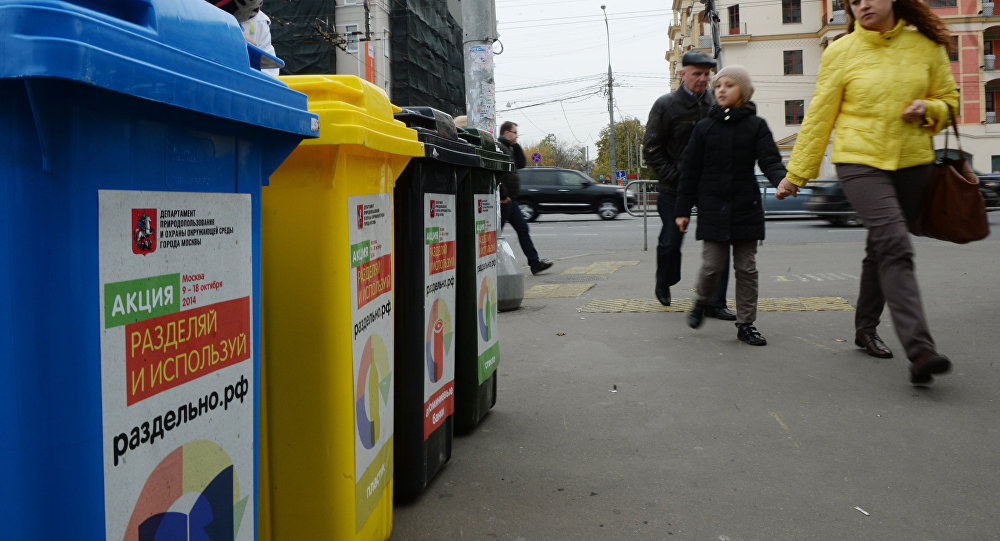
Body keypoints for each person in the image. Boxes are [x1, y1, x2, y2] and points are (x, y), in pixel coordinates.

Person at [774, 0, 958, 383]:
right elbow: (821, 114)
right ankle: (920, 349)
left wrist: (929, 108)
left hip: (912, 162)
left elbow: (950, 102)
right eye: (853, 1)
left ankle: (864, 327)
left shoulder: (924, 44)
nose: (862, 5)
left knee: (881, 249)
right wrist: (797, 174)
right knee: (895, 245)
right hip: (859, 161)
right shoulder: (842, 51)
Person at [675, 65, 786, 346]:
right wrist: (682, 210)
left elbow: (770, 160)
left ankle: (746, 324)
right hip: (713, 206)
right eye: (718, 85)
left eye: (729, 85)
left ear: (743, 92)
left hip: (745, 205)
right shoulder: (704, 128)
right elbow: (689, 171)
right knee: (712, 266)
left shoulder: (756, 125)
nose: (721, 89)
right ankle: (702, 301)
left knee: (746, 268)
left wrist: (782, 180)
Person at [643, 51, 735, 320]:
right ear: (682, 74)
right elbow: (651, 149)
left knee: (720, 242)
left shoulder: (716, 104)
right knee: (671, 242)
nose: (703, 79)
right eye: (697, 74)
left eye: (707, 74)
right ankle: (665, 280)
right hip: (675, 188)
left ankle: (716, 302)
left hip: (710, 187)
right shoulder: (666, 105)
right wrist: (674, 176)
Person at [497, 121, 553, 275]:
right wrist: (504, 195)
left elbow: (521, 163)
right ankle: (489, 266)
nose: (516, 135)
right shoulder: (500, 148)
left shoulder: (509, 148)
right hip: (504, 201)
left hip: (511, 201)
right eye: (514, 133)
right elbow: (499, 175)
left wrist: (515, 145)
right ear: (506, 132)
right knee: (495, 235)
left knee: (523, 229)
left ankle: (534, 263)